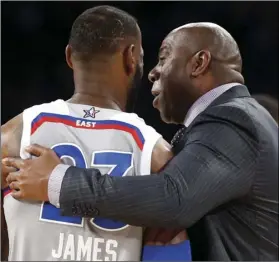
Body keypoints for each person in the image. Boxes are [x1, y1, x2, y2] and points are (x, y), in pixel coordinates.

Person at [4, 22, 279, 260]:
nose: (152, 72)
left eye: (163, 57)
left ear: (199, 63)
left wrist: (58, 181)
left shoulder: (234, 120)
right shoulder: (226, 121)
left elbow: (173, 199)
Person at [1, 6, 190, 261]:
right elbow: (173, 249)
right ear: (131, 57)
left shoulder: (15, 134)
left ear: (69, 56)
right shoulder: (154, 151)